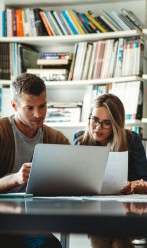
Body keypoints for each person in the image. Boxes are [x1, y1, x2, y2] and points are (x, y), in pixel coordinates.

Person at [73, 93, 147, 248]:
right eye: (94, 120)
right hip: (93, 210)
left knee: (111, 232)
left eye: (106, 123)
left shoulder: (131, 139)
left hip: (126, 211)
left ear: (116, 124)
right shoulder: (80, 140)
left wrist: (140, 186)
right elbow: (75, 182)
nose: (98, 127)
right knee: (114, 236)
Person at [0, 73, 70, 248]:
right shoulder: (2, 133)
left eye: (43, 106)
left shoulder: (57, 139)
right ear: (14, 105)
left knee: (50, 246)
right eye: (29, 108)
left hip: (31, 222)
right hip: (3, 219)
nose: (38, 114)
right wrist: (15, 178)